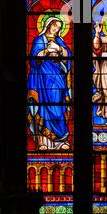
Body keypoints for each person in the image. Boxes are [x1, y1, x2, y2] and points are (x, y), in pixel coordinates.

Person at [27, 17, 72, 151]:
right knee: (43, 108)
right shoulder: (39, 40)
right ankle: (43, 142)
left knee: (58, 108)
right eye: (54, 26)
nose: (56, 29)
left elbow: (68, 57)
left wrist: (58, 49)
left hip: (58, 79)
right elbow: (33, 60)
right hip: (42, 80)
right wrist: (47, 51)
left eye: (58, 28)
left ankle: (61, 141)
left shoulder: (59, 41)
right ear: (48, 25)